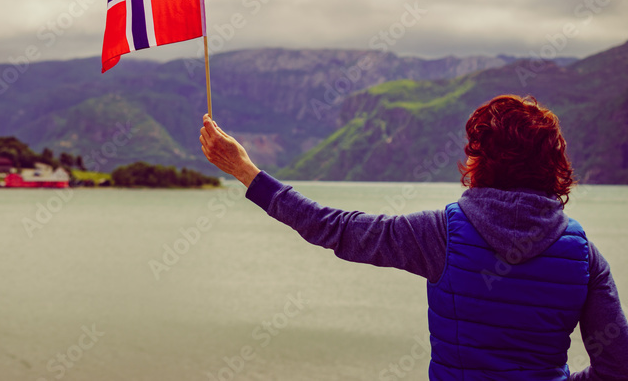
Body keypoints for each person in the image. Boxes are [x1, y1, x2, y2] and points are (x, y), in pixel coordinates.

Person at [199, 95, 628, 380]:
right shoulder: (584, 256)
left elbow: (335, 228)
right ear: (553, 165)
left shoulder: (441, 234)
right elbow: (617, 366)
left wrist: (246, 173)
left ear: (480, 161)